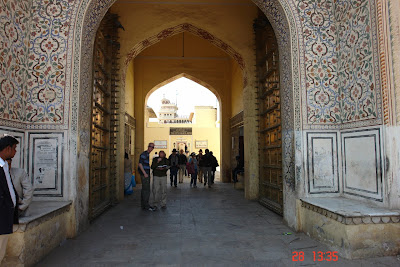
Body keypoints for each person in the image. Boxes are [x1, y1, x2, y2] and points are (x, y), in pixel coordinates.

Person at [0, 135, 19, 264]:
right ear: (7, 149)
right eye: (14, 148)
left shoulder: (4, 165)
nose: (15, 151)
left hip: (5, 216)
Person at [138, 143, 155, 211]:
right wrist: (144, 173)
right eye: (151, 147)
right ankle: (146, 205)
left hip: (145, 173)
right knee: (146, 190)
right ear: (148, 147)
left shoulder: (147, 154)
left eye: (153, 147)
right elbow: (140, 164)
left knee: (144, 189)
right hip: (145, 174)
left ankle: (144, 205)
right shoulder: (144, 154)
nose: (152, 148)